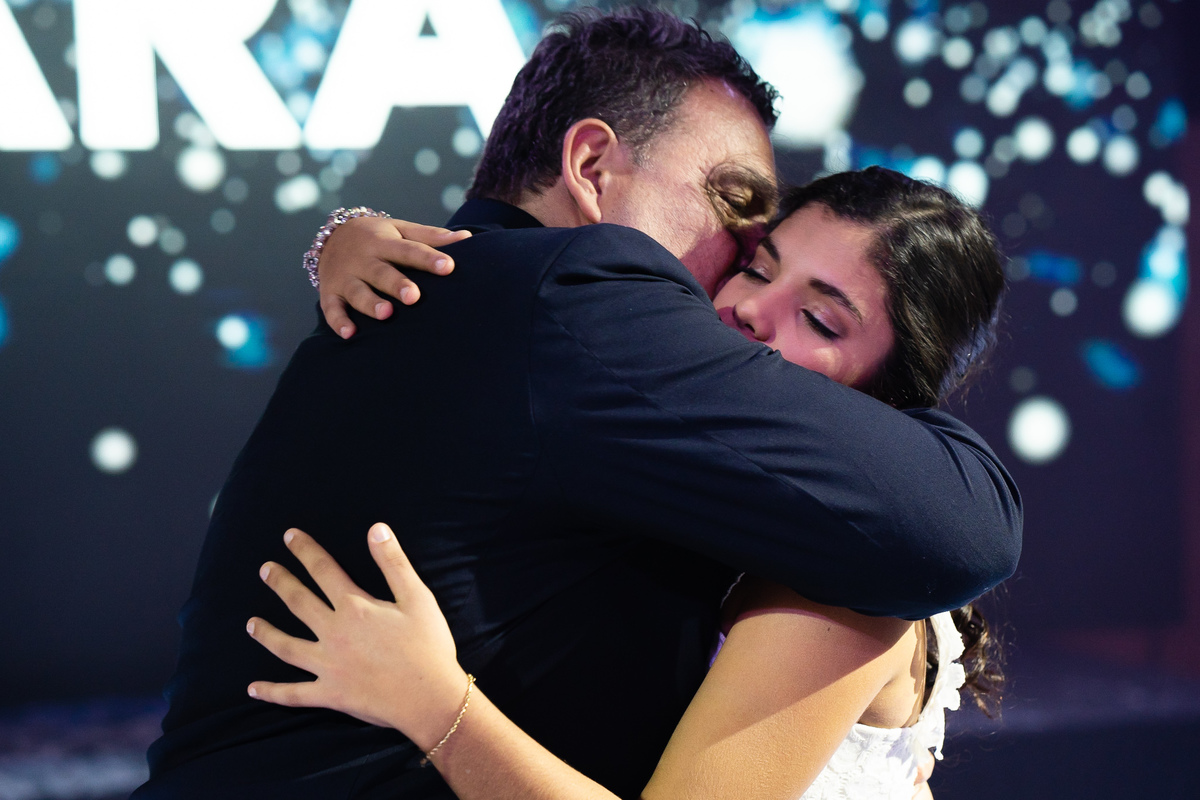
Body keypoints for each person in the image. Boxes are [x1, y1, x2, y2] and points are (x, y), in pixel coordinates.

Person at [134, 10, 1020, 799]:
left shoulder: (439, 302)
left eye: (821, 318)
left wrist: (442, 709)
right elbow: (965, 524)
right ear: (591, 165)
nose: (740, 291)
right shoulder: (580, 296)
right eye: (741, 228)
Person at [245, 168, 1007, 800]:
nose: (750, 310)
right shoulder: (711, 497)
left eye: (819, 319)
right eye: (758, 267)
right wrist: (346, 237)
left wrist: (433, 703)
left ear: (891, 397)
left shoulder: (845, 579)